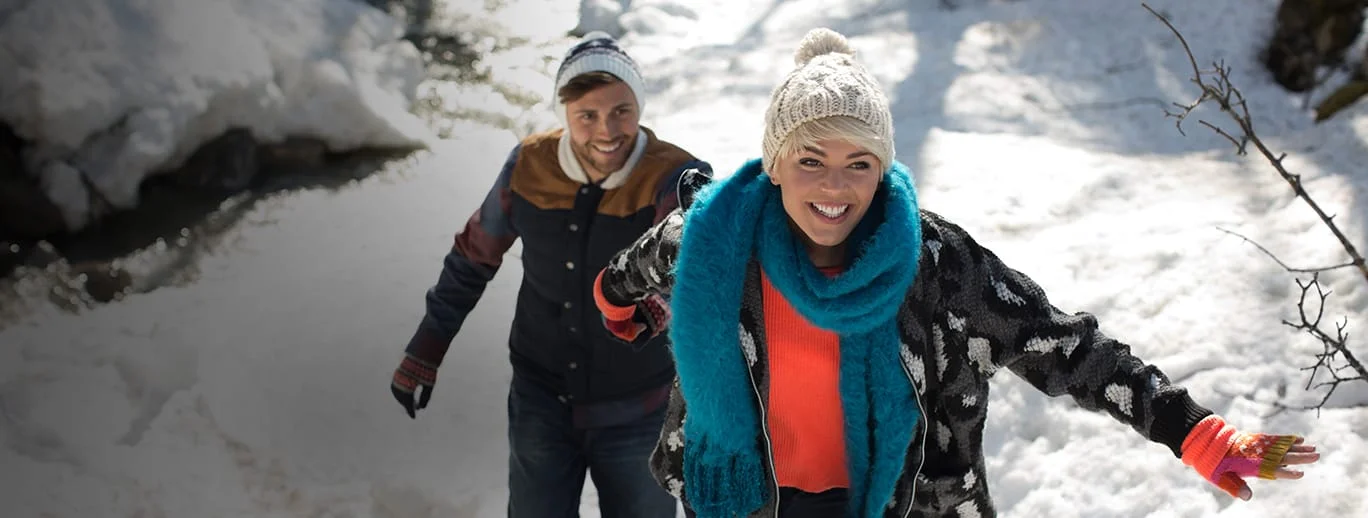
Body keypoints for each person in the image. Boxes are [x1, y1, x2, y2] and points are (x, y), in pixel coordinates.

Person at [591, 27, 1321, 518]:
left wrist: (1193, 433)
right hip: (751, 500)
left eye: (859, 164)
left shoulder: (937, 265)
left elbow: (1065, 347)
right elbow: (627, 274)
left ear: (884, 169)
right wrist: (621, 306)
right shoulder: (716, 237)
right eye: (810, 160)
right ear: (776, 164)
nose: (834, 188)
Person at [390, 31, 711, 518]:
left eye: (622, 110)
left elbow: (697, 262)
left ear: (639, 107)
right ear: (564, 112)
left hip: (640, 412)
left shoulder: (676, 175)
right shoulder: (529, 165)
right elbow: (473, 257)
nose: (607, 130)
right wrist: (426, 347)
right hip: (541, 404)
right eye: (588, 115)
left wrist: (658, 306)